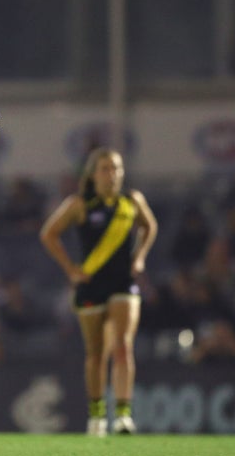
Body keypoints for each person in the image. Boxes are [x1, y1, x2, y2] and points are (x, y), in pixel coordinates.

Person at [39, 147, 157, 437]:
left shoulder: (131, 201)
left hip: (122, 284)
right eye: (105, 168)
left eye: (116, 168)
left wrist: (140, 257)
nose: (112, 174)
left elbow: (149, 226)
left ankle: (123, 415)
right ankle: (96, 415)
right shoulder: (80, 204)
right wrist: (70, 269)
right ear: (93, 174)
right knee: (95, 353)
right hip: (92, 283)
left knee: (122, 346)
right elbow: (49, 234)